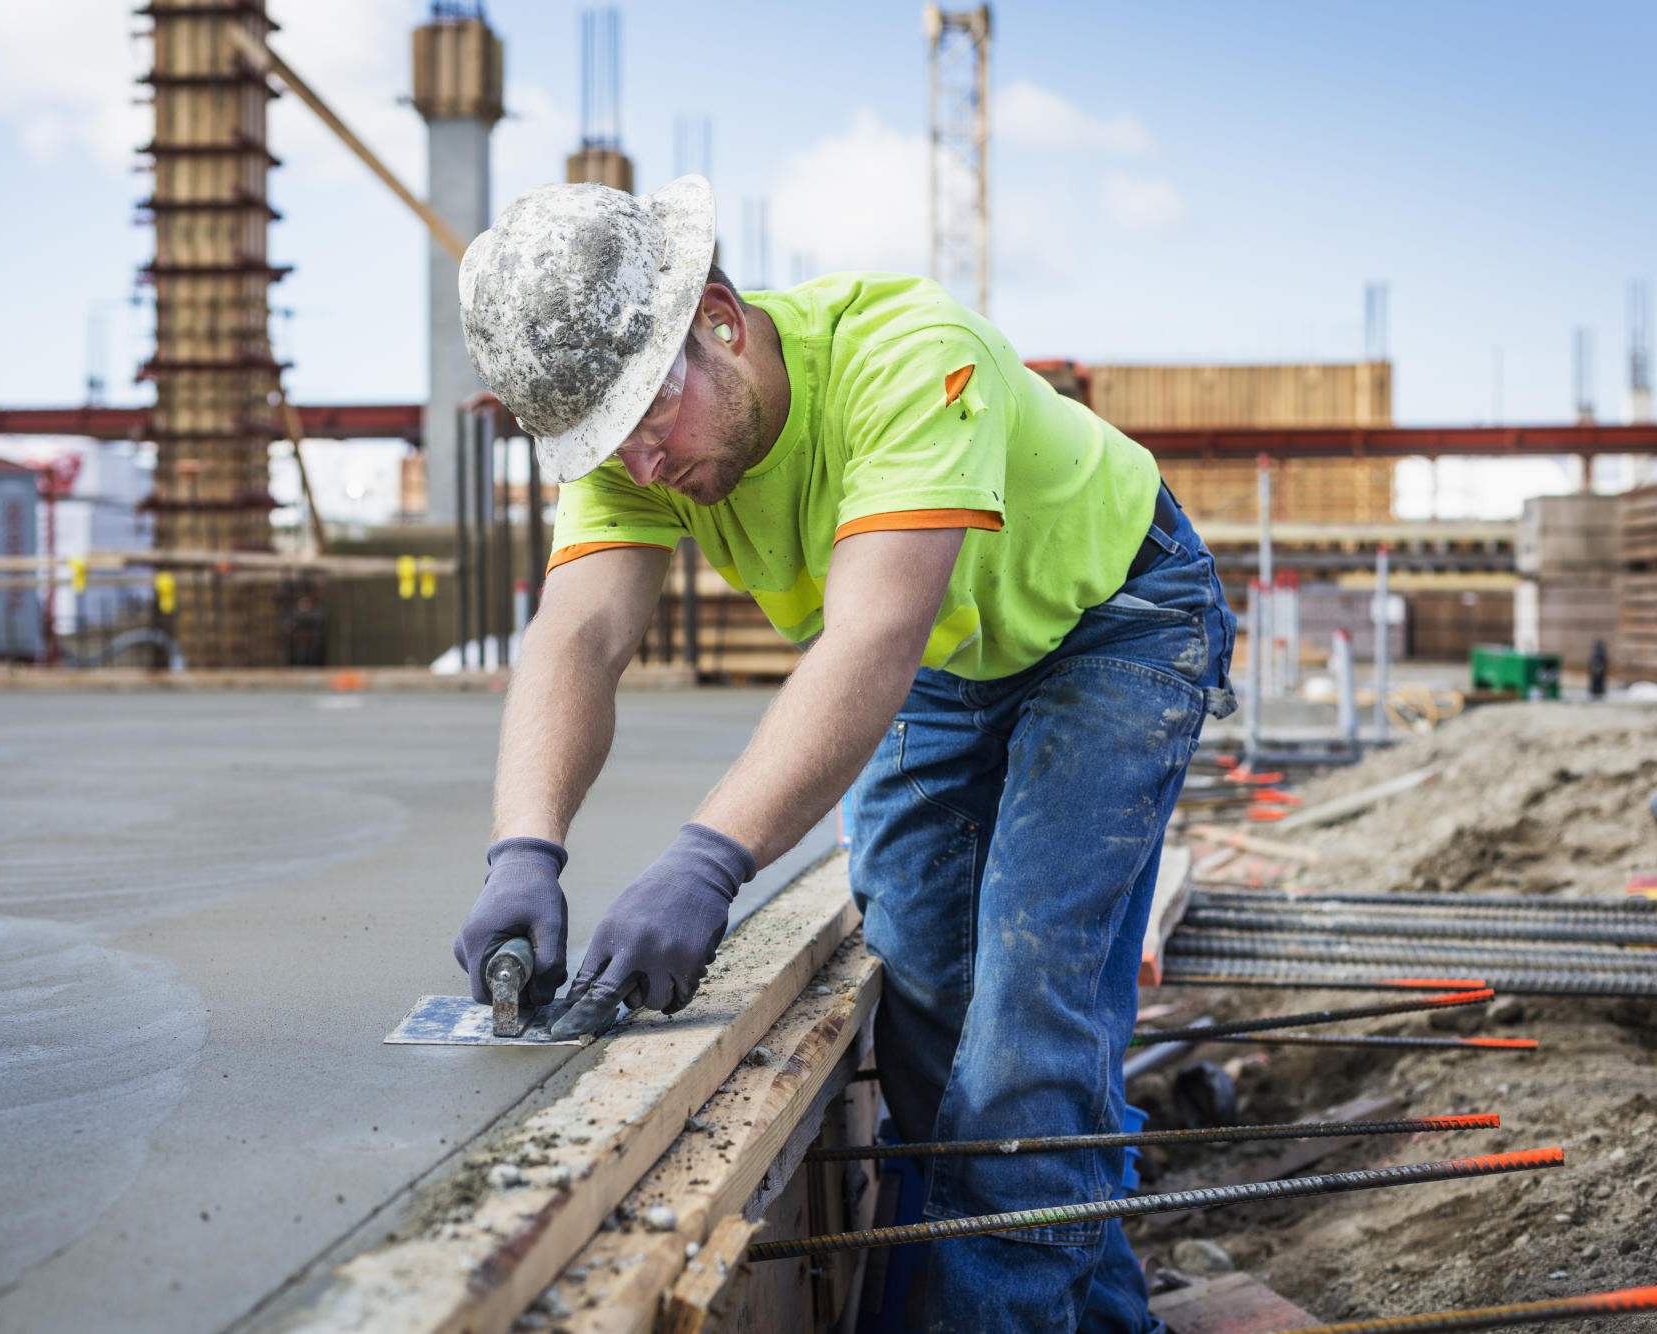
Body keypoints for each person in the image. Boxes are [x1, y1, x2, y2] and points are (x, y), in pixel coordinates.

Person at [451, 175, 1234, 1333]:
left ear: (715, 319)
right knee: (924, 1004)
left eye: (649, 422)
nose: (644, 468)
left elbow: (871, 635)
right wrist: (523, 847)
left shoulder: (908, 357)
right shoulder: (635, 446)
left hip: (1111, 621)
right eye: (609, 448)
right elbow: (579, 633)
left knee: (1025, 1036)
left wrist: (709, 860)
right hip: (945, 654)